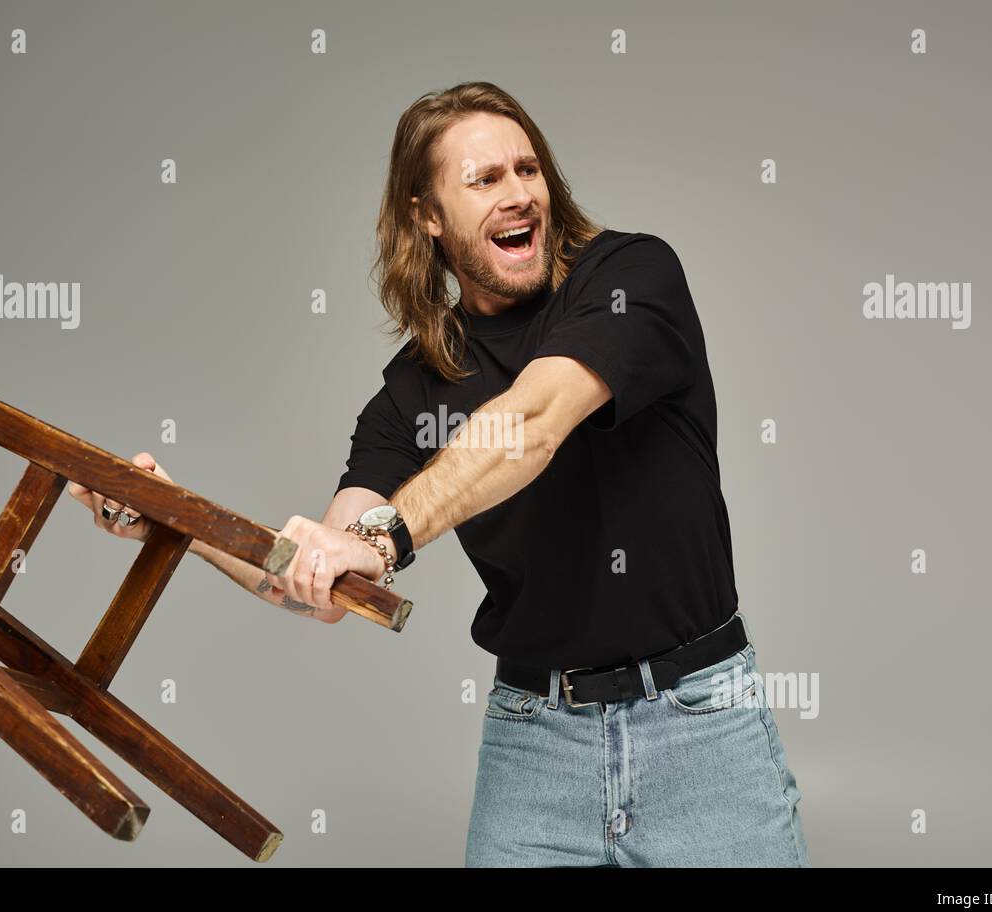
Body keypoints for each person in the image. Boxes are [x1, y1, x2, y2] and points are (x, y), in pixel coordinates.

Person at [69, 81, 810, 868]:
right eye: (485, 180)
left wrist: (382, 537)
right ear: (427, 215)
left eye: (528, 170)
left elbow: (530, 425)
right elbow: (314, 576)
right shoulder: (413, 389)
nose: (520, 194)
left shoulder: (630, 276)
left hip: (701, 726)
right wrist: (171, 520)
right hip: (536, 745)